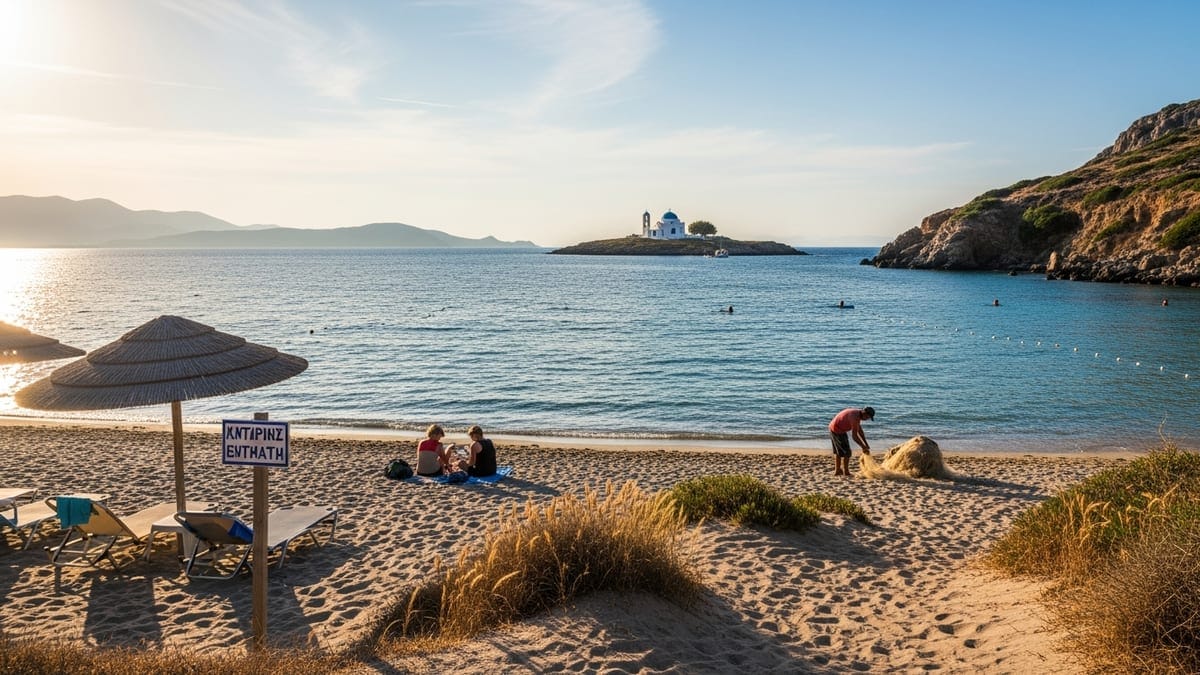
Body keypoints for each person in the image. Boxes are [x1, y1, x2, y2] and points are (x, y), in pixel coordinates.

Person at [829, 407, 874, 476]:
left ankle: (837, 470)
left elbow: (860, 431)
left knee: (839, 451)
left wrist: (866, 444)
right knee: (847, 452)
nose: (867, 419)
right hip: (836, 429)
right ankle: (846, 472)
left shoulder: (858, 414)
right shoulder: (855, 417)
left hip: (835, 427)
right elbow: (854, 436)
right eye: (868, 417)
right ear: (864, 413)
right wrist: (863, 447)